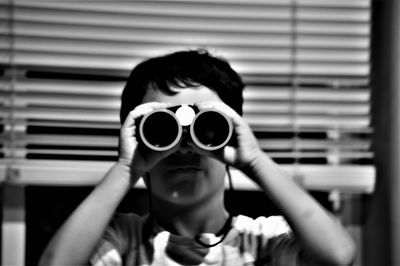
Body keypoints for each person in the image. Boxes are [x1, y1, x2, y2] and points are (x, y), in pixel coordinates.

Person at [39, 50, 356, 266]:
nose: (185, 147)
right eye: (163, 129)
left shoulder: (265, 241)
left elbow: (339, 256)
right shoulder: (121, 241)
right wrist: (125, 168)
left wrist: (255, 159)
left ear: (232, 131)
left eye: (208, 128)